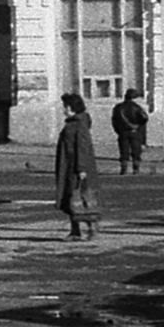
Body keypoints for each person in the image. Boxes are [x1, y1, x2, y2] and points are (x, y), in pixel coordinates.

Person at [56, 92, 99, 240]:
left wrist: (81, 168)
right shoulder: (73, 123)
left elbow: (82, 147)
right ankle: (75, 230)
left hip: (76, 167)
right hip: (68, 166)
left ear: (72, 107)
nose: (63, 110)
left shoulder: (79, 124)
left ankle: (91, 228)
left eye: (65, 106)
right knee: (70, 198)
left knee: (82, 197)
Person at [110, 91, 150, 174]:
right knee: (136, 150)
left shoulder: (118, 107)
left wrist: (118, 130)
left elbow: (114, 121)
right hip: (135, 132)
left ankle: (123, 168)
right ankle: (136, 168)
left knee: (124, 150)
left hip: (123, 132)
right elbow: (145, 118)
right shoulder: (137, 107)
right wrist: (138, 125)